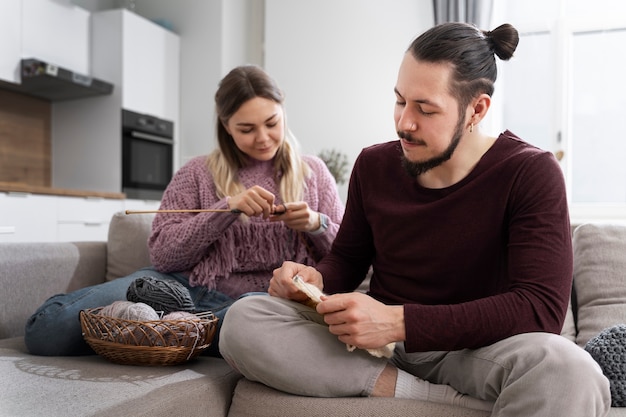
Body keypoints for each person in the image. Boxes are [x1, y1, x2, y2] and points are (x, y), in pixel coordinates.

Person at [218, 23, 611, 415]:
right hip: (378, 350)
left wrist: (399, 322)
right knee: (245, 318)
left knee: (570, 370)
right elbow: (347, 260)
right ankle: (435, 399)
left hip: (478, 351)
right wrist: (314, 281)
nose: (405, 122)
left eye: (425, 109)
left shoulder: (530, 172)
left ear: (477, 109)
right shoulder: (373, 164)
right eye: (400, 101)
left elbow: (539, 309)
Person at [24, 64, 344, 357]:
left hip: (257, 305)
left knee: (251, 321)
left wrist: (317, 223)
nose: (263, 138)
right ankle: (180, 330)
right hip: (181, 287)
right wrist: (225, 209)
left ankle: (173, 331)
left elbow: (349, 257)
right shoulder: (196, 172)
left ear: (283, 111)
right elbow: (164, 257)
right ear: (226, 126)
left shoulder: (312, 172)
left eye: (272, 123)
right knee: (47, 331)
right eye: (246, 129)